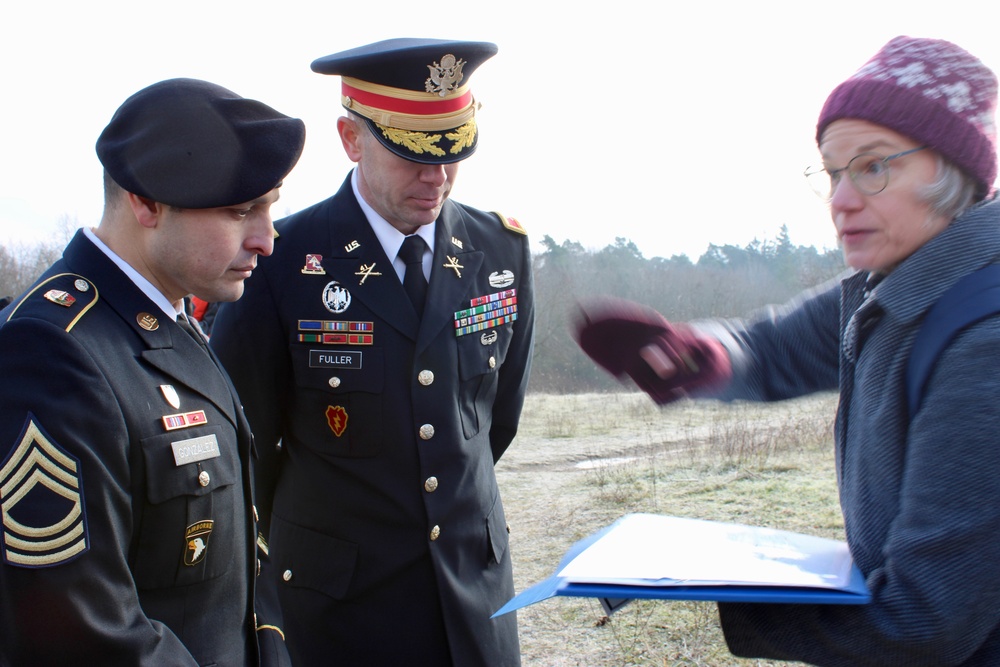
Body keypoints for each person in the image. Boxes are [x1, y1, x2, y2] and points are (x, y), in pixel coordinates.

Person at [575, 36, 1000, 666]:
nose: (842, 200)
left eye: (874, 167)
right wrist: (703, 353)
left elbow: (925, 620)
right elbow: (771, 346)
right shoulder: (890, 282)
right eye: (832, 172)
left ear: (955, 173)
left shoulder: (983, 339)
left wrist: (727, 593)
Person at [210, 38, 535, 666]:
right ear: (351, 139)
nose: (436, 175)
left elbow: (495, 422)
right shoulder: (281, 260)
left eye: (453, 150)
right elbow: (246, 448)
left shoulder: (501, 252)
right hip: (341, 610)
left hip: (475, 597)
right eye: (413, 153)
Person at [0, 78, 305, 665]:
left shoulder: (169, 317)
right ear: (146, 202)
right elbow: (79, 631)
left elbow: (242, 552)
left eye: (270, 206)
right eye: (241, 210)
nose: (267, 239)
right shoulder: (50, 354)